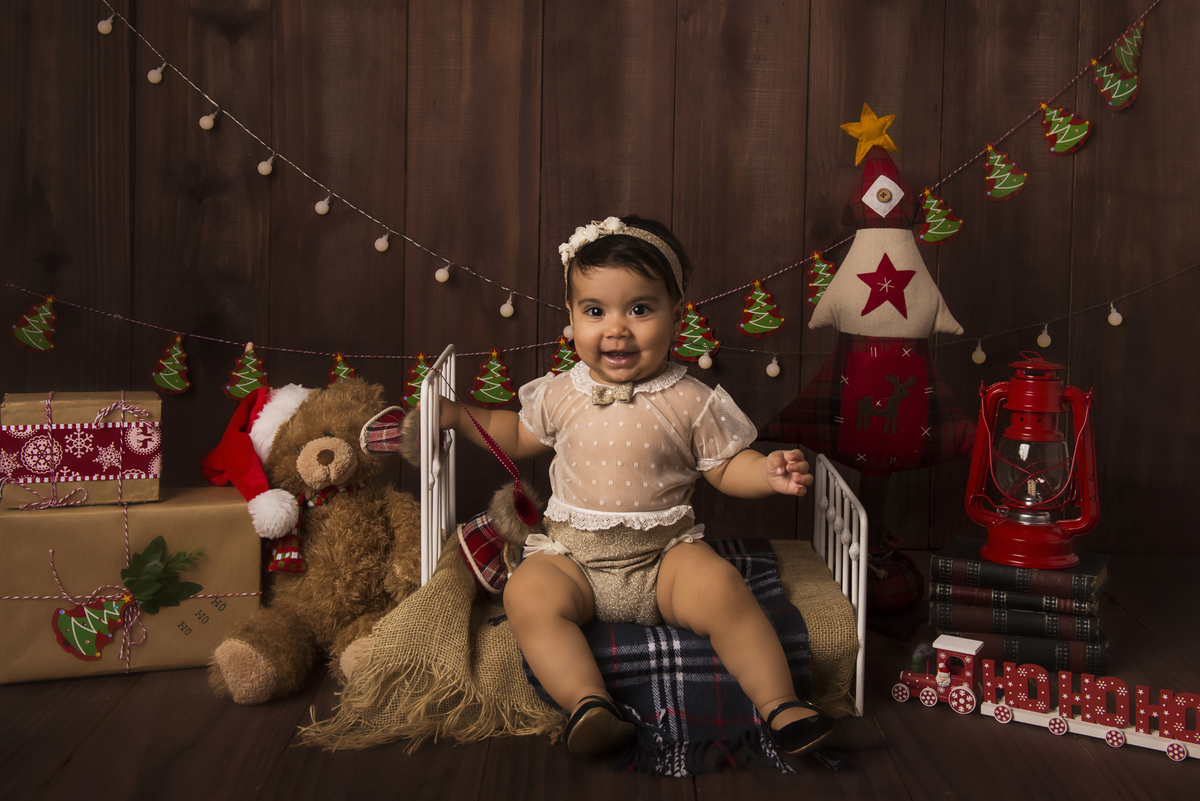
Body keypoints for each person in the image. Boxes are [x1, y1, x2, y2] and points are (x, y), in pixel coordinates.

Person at [437, 214, 831, 757]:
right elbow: (517, 435)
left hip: (663, 561)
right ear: (571, 317)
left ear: (677, 315)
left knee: (724, 589)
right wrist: (462, 417)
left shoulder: (690, 399)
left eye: (640, 309)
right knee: (526, 593)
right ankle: (589, 703)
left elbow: (723, 467)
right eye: (595, 311)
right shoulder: (562, 392)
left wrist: (765, 472)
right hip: (573, 559)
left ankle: (780, 704)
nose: (616, 328)